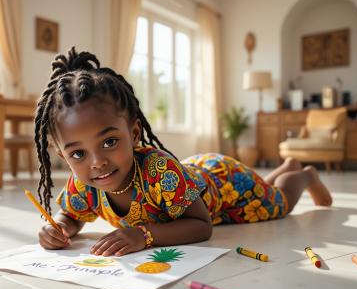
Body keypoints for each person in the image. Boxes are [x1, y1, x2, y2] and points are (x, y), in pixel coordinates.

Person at [35, 47, 332, 257]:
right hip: (192, 172)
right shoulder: (83, 183)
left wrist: (144, 235)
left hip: (226, 185)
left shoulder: (158, 170)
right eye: (78, 154)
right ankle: (286, 165)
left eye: (109, 142)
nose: (97, 162)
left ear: (134, 134)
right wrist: (58, 227)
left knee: (277, 202)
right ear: (64, 157)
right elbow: (71, 216)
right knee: (263, 185)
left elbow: (202, 226)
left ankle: (304, 174)